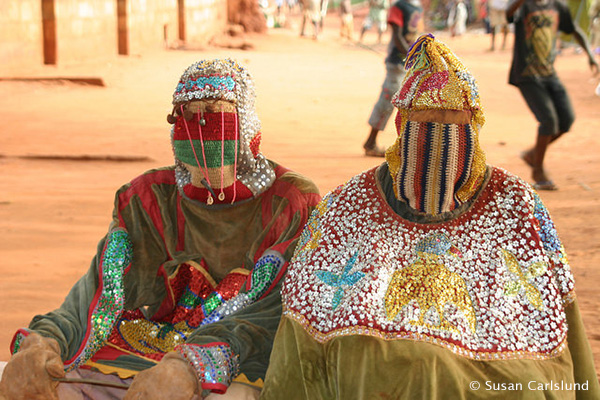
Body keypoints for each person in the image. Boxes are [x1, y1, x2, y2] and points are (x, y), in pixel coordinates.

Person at [261, 34, 600, 399]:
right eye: (424, 125)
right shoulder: (349, 203)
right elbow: (312, 298)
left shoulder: (515, 203)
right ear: (402, 127)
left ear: (474, 127)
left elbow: (548, 302)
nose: (439, 142)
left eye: (453, 125)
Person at [0, 59, 320, 400]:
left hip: (241, 357)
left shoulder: (292, 202)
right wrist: (44, 340)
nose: (201, 126)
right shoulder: (146, 198)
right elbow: (101, 290)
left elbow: (272, 313)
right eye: (188, 115)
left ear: (246, 123)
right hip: (145, 346)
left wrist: (190, 367)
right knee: (36, 380)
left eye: (214, 112)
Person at [507, 0, 599, 190]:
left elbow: (574, 30)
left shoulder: (558, 6)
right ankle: (538, 172)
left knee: (566, 120)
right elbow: (509, 14)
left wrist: (590, 55)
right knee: (548, 121)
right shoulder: (524, 6)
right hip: (526, 74)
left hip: (549, 73)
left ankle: (532, 154)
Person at [362, 0, 423, 157]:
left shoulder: (417, 6)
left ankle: (410, 148)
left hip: (409, 66)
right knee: (386, 103)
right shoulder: (399, 6)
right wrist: (411, 57)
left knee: (412, 106)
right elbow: (396, 35)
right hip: (397, 65)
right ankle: (370, 142)